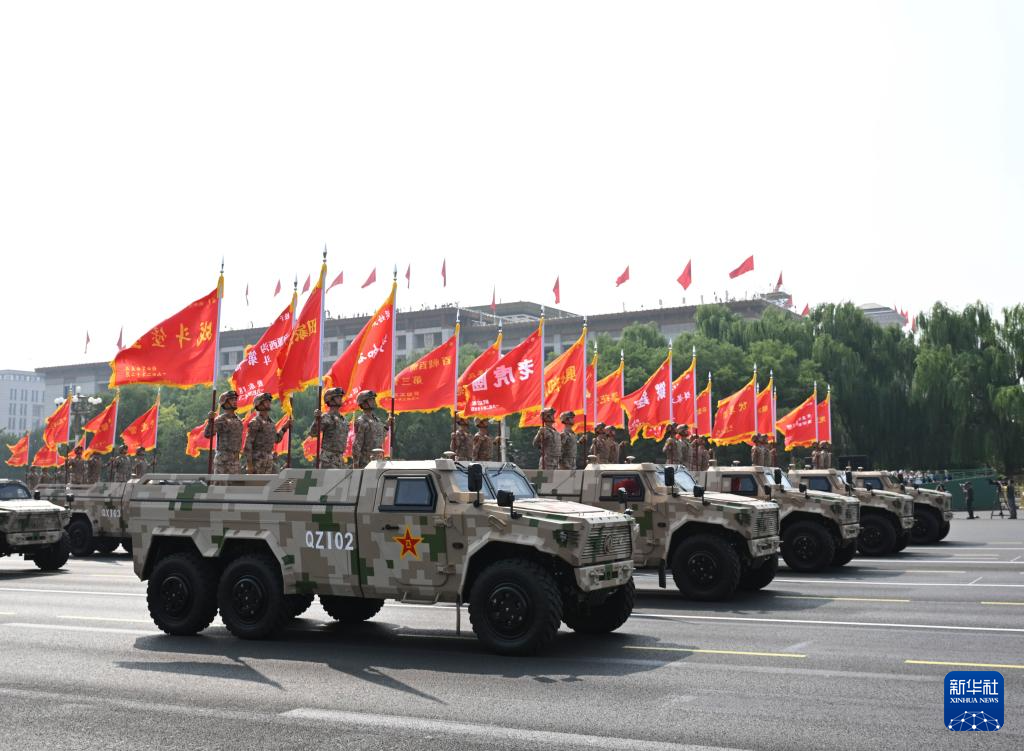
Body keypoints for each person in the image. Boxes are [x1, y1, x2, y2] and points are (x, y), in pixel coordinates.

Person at [244, 393, 291, 474]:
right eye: (266, 401)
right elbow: (248, 445)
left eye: (269, 401)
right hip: (257, 461)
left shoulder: (271, 422)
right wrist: (249, 464)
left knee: (267, 485)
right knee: (256, 485)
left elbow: (276, 439)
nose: (269, 403)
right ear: (259, 404)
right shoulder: (255, 422)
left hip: (268, 460)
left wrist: (284, 428)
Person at [205, 390, 243, 474]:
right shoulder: (221, 419)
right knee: (220, 486)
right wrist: (210, 421)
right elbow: (208, 434)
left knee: (234, 486)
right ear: (225, 402)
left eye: (235, 399)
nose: (235, 401)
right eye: (232, 400)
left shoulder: (238, 420)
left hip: (235, 460)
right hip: (223, 461)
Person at [308, 387, 347, 468]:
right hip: (328, 459)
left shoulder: (343, 419)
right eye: (338, 397)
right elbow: (313, 433)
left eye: (341, 397)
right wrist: (317, 420)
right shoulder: (326, 417)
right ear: (330, 399)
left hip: (340, 458)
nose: (340, 399)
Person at [352, 390, 387, 468]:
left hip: (378, 461)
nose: (374, 401)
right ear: (364, 403)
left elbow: (380, 439)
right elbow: (357, 445)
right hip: (366, 463)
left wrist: (387, 426)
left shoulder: (377, 420)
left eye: (373, 399)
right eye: (371, 400)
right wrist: (356, 465)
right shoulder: (361, 421)